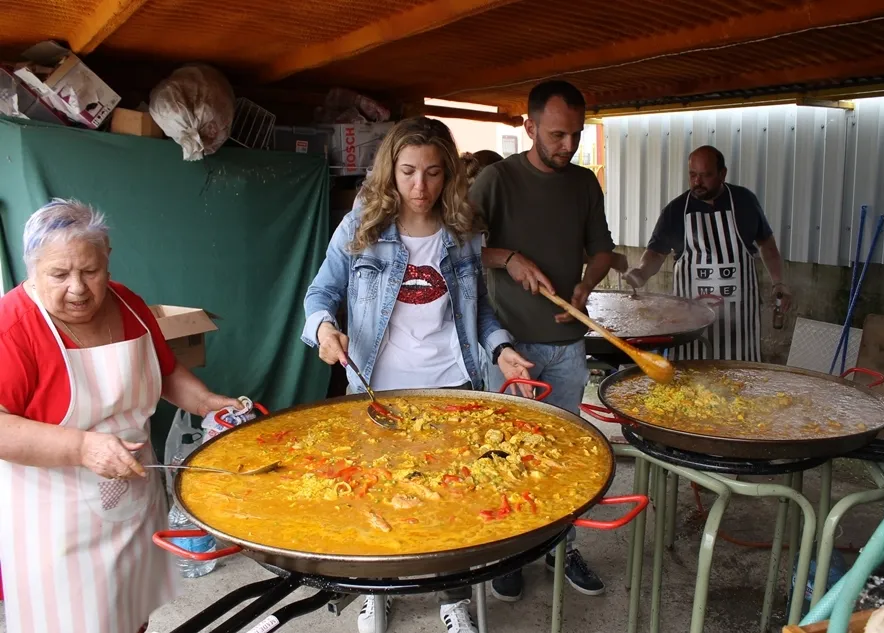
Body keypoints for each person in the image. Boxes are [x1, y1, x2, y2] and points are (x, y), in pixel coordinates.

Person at [301, 117, 534, 633]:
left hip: (452, 384)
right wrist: (323, 329)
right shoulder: (361, 225)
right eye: (407, 172)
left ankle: (453, 598)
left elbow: (480, 311)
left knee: (454, 496)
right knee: (377, 492)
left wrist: (500, 349)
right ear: (391, 170)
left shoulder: (463, 232)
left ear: (448, 174)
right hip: (377, 389)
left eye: (432, 173)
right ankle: (376, 591)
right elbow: (321, 294)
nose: (419, 186)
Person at [0, 199, 243, 633]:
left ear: (107, 257)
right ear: (31, 268)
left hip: (133, 504)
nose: (78, 288)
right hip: (58, 525)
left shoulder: (128, 303)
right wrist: (81, 447)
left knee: (131, 614)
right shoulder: (13, 325)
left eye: (90, 271)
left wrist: (205, 402)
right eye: (59, 274)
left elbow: (164, 370)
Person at [468, 80, 616, 602]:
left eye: (576, 134)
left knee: (566, 455)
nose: (568, 146)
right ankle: (508, 552)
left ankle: (561, 546)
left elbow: (602, 249)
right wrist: (508, 258)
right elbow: (458, 248)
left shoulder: (583, 183)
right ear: (529, 127)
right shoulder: (496, 180)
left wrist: (586, 284)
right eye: (557, 135)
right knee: (505, 453)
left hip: (568, 344)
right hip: (508, 346)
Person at [622, 145, 792, 361]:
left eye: (706, 175)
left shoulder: (745, 202)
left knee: (741, 374)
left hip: (740, 321)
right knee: (692, 374)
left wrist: (779, 282)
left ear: (722, 173)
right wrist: (642, 272)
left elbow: (767, 245)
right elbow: (656, 253)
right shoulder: (676, 210)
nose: (697, 182)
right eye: (693, 175)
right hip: (691, 321)